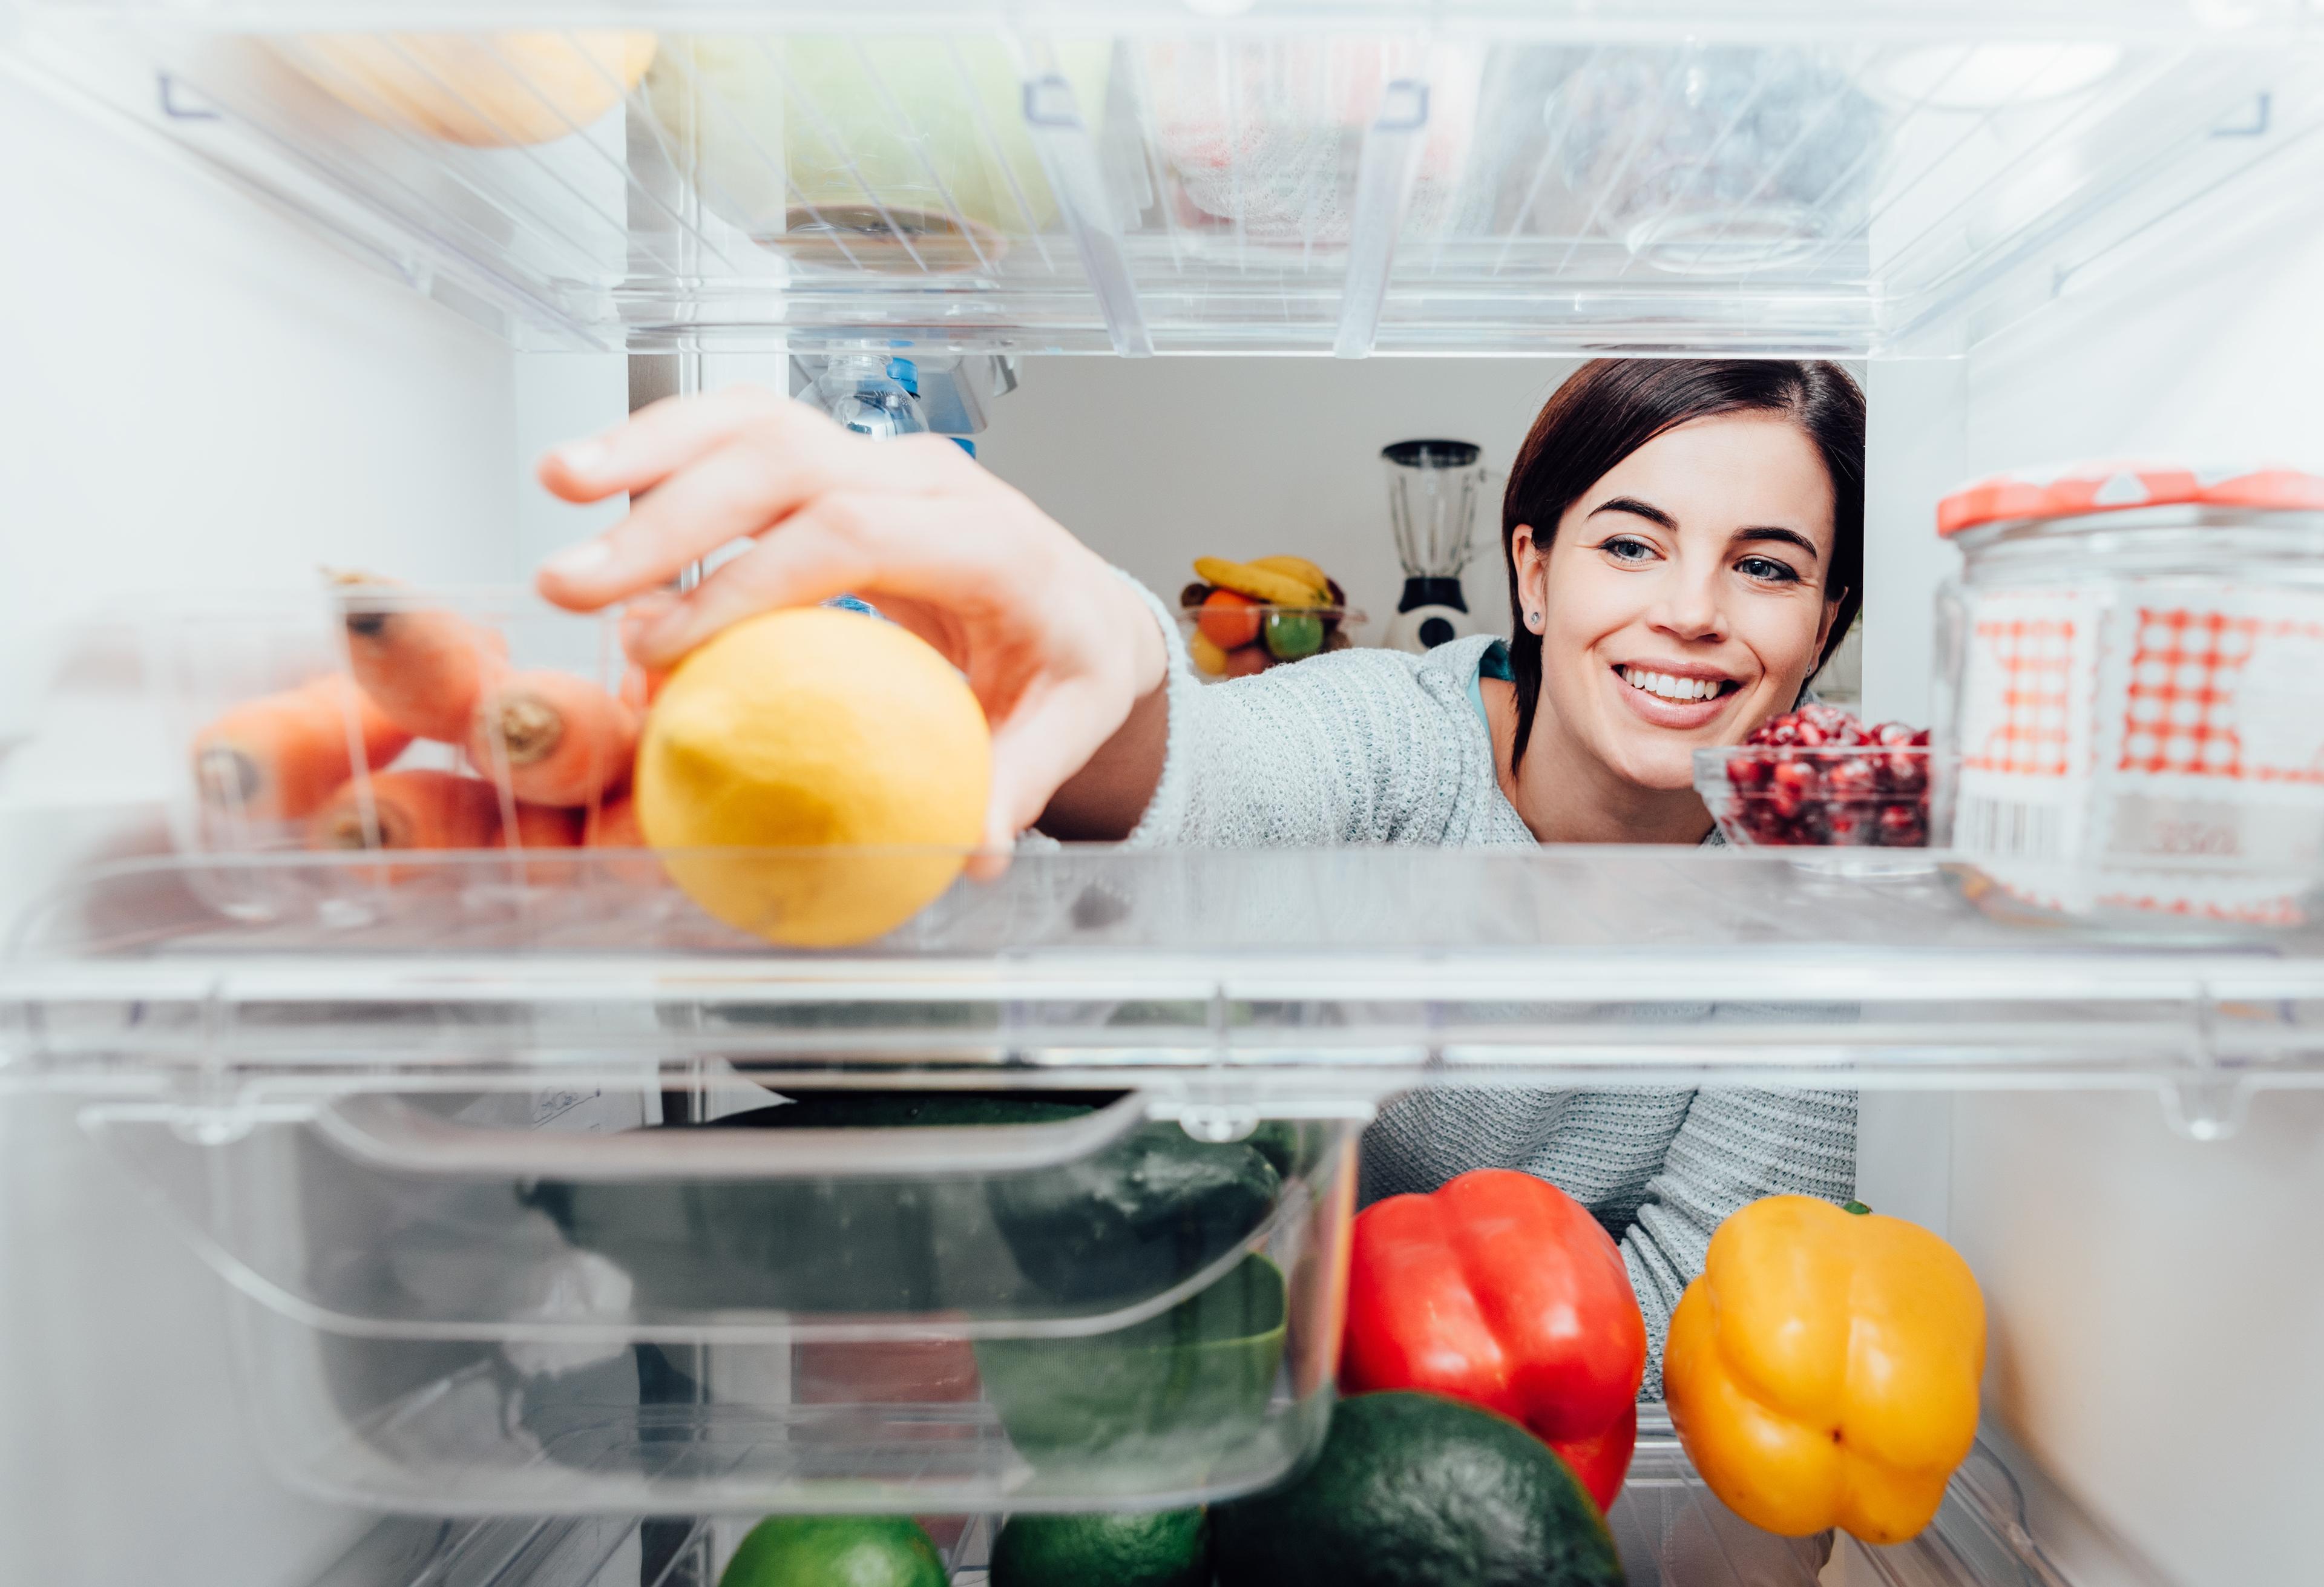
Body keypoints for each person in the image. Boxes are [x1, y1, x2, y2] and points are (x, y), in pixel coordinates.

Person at [536, 357, 1863, 1395]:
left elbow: (1720, 1309)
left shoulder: (1812, 898)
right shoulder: (1396, 733)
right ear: (1531, 570)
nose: (1692, 609)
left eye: (1765, 567)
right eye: (1630, 544)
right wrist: (1102, 649)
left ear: (1825, 630)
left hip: (1538, 1448)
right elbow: (1212, 780)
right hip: (1240, 1382)